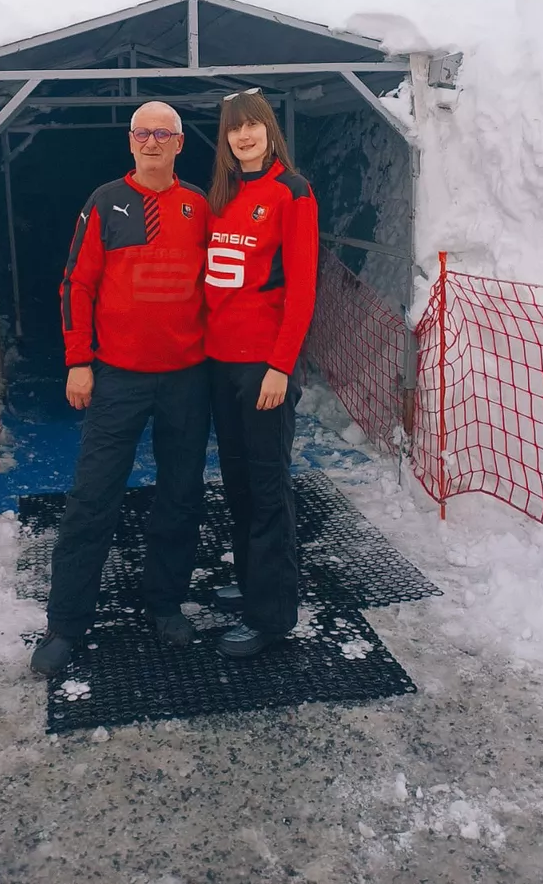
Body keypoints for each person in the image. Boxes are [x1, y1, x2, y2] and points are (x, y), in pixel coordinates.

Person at [30, 101, 211, 677]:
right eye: (142, 133)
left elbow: (226, 285)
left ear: (180, 143)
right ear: (130, 142)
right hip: (117, 377)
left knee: (180, 495)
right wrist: (78, 362)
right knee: (92, 498)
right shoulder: (104, 201)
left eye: (163, 133)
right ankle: (66, 624)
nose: (151, 142)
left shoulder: (199, 206)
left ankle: (165, 603)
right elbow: (76, 285)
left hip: (187, 376)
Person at [205, 88, 318, 658]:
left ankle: (271, 615)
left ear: (269, 129)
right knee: (239, 480)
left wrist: (281, 365)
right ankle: (252, 584)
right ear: (224, 139)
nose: (243, 136)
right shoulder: (224, 194)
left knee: (269, 486)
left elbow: (301, 291)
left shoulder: (291, 193)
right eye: (233, 129)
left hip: (263, 367)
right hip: (221, 364)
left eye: (252, 127)